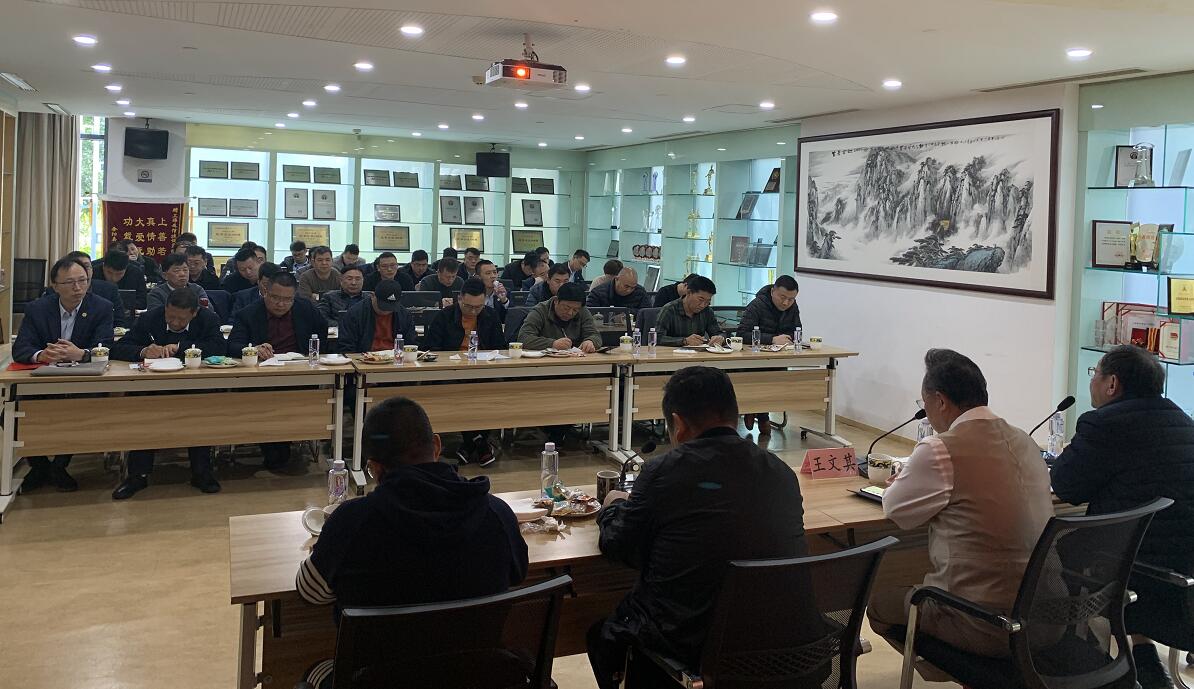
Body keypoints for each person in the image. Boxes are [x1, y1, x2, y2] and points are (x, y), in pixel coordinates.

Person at [587, 366, 806, 689]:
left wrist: (612, 507)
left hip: (693, 650)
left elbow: (618, 546)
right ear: (734, 413)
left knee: (601, 634)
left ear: (678, 424)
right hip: (782, 649)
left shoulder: (664, 471)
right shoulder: (781, 472)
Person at [294, 396, 528, 689]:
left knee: (313, 669)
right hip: (477, 675)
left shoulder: (352, 522)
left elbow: (310, 592)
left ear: (374, 468)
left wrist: (327, 544)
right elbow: (519, 573)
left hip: (379, 679)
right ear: (437, 446)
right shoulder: (496, 513)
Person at [869, 349, 1052, 663]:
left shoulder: (941, 448)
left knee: (878, 604)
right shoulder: (1025, 440)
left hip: (981, 622)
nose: (925, 413)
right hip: (1048, 620)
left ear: (940, 401)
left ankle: (963, 668)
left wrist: (905, 482)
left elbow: (895, 509)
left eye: (924, 404)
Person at [1051, 345, 1194, 689]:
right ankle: (1143, 656)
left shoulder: (1104, 424)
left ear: (1112, 383)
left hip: (1131, 572)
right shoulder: (1184, 422)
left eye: (1095, 374)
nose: (1093, 382)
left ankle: (1065, 653)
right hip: (1182, 573)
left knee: (1052, 548)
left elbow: (1066, 486)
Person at [109, 288, 224, 499]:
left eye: (181, 319)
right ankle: (137, 475)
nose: (175, 322)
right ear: (165, 308)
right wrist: (144, 351)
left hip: (194, 386)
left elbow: (219, 347)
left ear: (194, 313)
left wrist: (181, 347)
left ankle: (201, 473)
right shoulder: (150, 318)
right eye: (170, 316)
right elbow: (119, 347)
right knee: (141, 410)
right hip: (152, 387)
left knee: (202, 408)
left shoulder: (208, 319)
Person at [14, 257, 115, 492]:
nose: (78, 287)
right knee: (14, 412)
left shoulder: (101, 307)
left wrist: (81, 353)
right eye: (70, 282)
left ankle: (59, 466)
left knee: (78, 411)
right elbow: (21, 348)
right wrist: (41, 355)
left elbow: (107, 346)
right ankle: (39, 465)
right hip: (44, 379)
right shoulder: (38, 308)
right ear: (55, 285)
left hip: (82, 379)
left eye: (83, 280)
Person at [228, 272, 328, 471]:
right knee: (267, 405)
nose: (281, 304)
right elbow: (232, 346)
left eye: (287, 299)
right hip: (261, 378)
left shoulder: (306, 309)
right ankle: (274, 448)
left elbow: (322, 335)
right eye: (275, 297)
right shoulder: (248, 314)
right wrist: (253, 349)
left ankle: (283, 446)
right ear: (265, 291)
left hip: (298, 375)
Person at [424, 278, 507, 467]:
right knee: (457, 391)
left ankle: (470, 444)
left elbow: (500, 347)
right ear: (460, 298)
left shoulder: (490, 316)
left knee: (496, 388)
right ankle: (480, 443)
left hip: (483, 370)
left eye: (478, 307)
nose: (474, 311)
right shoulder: (444, 316)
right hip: (451, 371)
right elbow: (430, 349)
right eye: (468, 306)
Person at [736, 275, 801, 434]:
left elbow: (797, 331)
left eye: (791, 299)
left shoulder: (793, 307)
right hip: (753, 360)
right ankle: (757, 411)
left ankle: (761, 411)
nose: (786, 303)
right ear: (773, 291)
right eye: (782, 297)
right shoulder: (757, 305)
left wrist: (789, 340)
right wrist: (771, 339)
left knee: (777, 380)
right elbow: (742, 334)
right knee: (760, 377)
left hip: (778, 358)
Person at [337, 280, 417, 355]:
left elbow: (410, 343)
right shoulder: (355, 313)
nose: (386, 311)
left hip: (396, 358)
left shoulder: (404, 315)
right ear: (372, 296)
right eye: (383, 306)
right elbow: (347, 346)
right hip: (364, 358)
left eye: (391, 307)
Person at [517, 282, 601, 354]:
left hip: (576, 359)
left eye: (575, 310)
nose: (570, 313)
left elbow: (595, 335)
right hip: (544, 361)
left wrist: (590, 341)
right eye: (566, 308)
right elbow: (523, 338)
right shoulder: (540, 311)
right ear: (556, 301)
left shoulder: (582, 311)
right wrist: (552, 344)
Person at [60, 250, 127, 327]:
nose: (84, 271)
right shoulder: (57, 291)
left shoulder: (109, 289)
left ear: (92, 269)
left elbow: (119, 322)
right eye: (78, 266)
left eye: (87, 266)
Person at [655, 275, 724, 347]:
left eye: (707, 302)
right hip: (672, 353)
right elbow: (657, 338)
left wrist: (720, 338)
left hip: (699, 353)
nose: (703, 305)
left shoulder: (707, 311)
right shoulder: (669, 309)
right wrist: (684, 341)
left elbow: (718, 332)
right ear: (688, 292)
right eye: (700, 300)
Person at [147, 253, 211, 311]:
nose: (182, 274)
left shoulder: (197, 289)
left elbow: (209, 311)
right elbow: (156, 315)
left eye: (185, 270)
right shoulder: (157, 294)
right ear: (165, 275)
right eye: (176, 271)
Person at [475, 259, 509, 323]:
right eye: (488, 273)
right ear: (478, 277)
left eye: (495, 272)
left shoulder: (505, 292)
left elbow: (511, 317)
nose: (493, 276)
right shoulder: (473, 293)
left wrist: (504, 300)